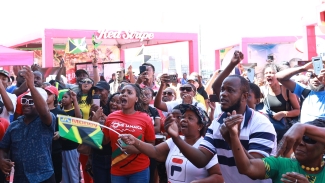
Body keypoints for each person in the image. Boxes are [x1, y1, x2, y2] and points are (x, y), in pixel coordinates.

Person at [166, 51, 277, 183]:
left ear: (244, 96)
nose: (223, 94)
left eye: (230, 90)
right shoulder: (218, 122)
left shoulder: (261, 124)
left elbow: (253, 170)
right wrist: (176, 138)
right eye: (223, 90)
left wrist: (232, 139)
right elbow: (201, 159)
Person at [120, 104, 224, 183]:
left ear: (200, 126)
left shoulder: (205, 146)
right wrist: (135, 141)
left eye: (190, 118)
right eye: (183, 117)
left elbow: (219, 176)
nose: (184, 120)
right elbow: (155, 151)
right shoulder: (173, 141)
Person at [0, 66, 56, 182]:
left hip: (43, 176)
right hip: (20, 178)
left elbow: (44, 112)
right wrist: (1, 160)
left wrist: (31, 87)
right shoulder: (14, 125)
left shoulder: (47, 121)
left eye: (32, 101)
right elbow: (3, 148)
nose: (26, 104)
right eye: (25, 100)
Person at [227, 119, 325, 183]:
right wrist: (233, 137)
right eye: (299, 138)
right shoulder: (280, 164)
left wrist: (301, 127)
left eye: (309, 139)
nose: (301, 143)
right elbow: (247, 167)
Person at [99, 84, 155, 183]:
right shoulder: (111, 117)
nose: (124, 94)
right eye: (122, 92)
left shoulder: (145, 118)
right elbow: (104, 142)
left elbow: (152, 144)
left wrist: (136, 148)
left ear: (136, 99)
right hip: (117, 170)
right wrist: (94, 125)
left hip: (140, 171)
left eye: (129, 93)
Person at [261, 63, 300, 143]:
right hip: (270, 129)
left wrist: (283, 113)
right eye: (266, 73)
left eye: (272, 73)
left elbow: (297, 110)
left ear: (277, 75)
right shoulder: (263, 90)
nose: (268, 75)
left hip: (285, 130)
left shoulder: (286, 90)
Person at [44, 85, 67, 183]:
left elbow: (67, 133)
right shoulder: (38, 112)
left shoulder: (61, 113)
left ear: (55, 97)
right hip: (42, 151)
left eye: (49, 94)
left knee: (57, 177)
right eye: (45, 93)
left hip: (55, 150)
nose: (46, 96)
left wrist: (61, 133)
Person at [60, 90, 82, 183]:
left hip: (72, 147)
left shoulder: (74, 110)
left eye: (66, 97)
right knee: (63, 175)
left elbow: (78, 117)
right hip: (61, 147)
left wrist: (75, 100)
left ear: (71, 99)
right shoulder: (59, 111)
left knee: (73, 174)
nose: (63, 99)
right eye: (62, 97)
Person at [77, 77, 95, 183]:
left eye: (89, 81)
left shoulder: (94, 97)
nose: (86, 83)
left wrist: (95, 67)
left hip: (92, 132)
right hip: (79, 133)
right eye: (83, 81)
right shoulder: (76, 97)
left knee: (93, 162)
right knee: (84, 162)